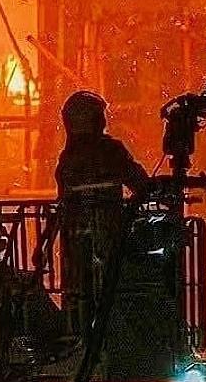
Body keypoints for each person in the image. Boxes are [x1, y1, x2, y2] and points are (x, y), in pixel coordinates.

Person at [53, 92, 149, 324]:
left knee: (78, 296)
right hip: (110, 236)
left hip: (75, 244)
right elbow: (139, 182)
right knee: (115, 291)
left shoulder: (67, 159)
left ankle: (78, 328)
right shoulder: (111, 151)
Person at [54, 91, 149, 200]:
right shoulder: (112, 151)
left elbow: (63, 196)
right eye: (101, 116)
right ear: (97, 121)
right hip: (111, 216)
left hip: (75, 216)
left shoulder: (68, 158)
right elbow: (140, 184)